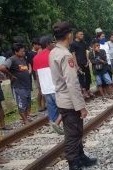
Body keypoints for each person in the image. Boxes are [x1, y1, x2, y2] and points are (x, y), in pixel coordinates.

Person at [50, 21, 96, 170]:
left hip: (62, 98)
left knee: (75, 131)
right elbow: (72, 83)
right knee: (73, 134)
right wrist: (81, 106)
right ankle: (73, 164)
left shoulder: (53, 52)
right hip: (70, 101)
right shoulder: (65, 55)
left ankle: (80, 157)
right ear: (69, 35)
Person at [32, 36, 63, 135]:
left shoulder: (36, 57)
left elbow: (36, 74)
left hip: (45, 88)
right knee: (64, 106)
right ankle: (58, 124)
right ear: (48, 44)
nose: (54, 44)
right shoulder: (52, 55)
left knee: (51, 107)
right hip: (55, 86)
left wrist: (40, 87)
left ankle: (53, 124)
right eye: (52, 43)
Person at [0, 43, 32, 125]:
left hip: (26, 85)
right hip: (18, 86)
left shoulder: (23, 58)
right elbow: (2, 67)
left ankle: (26, 117)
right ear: (16, 52)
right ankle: (25, 120)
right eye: (21, 51)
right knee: (22, 104)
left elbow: (26, 66)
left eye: (24, 51)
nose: (23, 53)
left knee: (27, 102)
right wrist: (10, 75)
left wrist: (29, 71)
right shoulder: (12, 59)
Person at [70, 30, 91, 99]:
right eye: (81, 34)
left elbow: (86, 52)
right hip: (79, 63)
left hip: (85, 63)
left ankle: (88, 90)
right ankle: (84, 92)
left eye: (83, 34)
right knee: (81, 78)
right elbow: (73, 55)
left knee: (88, 77)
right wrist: (76, 65)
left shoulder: (84, 43)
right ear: (76, 35)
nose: (82, 35)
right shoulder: (73, 44)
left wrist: (88, 61)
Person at [26, 38, 45, 112]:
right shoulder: (31, 53)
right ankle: (39, 105)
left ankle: (44, 105)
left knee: (44, 90)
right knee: (40, 91)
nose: (39, 46)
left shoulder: (40, 52)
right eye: (38, 45)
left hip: (42, 73)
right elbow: (30, 65)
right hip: (36, 74)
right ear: (34, 45)